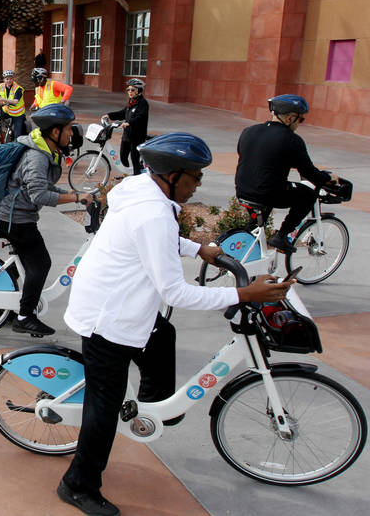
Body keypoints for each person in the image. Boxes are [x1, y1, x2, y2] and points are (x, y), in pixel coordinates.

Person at [58, 133, 294, 516]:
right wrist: (243, 295)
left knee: (162, 333)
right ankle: (77, 485)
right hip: (107, 319)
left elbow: (162, 238)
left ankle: (154, 405)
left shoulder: (143, 190)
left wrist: (198, 247)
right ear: (171, 175)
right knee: (105, 407)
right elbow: (177, 293)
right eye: (195, 176)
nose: (199, 183)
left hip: (120, 303)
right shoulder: (151, 212)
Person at [0, 104, 89, 337]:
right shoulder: (37, 156)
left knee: (29, 265)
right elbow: (40, 195)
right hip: (15, 218)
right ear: (54, 132)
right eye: (67, 129)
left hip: (16, 214)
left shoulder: (43, 150)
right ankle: (25, 316)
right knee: (41, 264)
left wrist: (75, 196)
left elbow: (43, 186)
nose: (71, 133)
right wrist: (75, 197)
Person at [235, 94, 338, 252]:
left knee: (256, 225)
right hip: (267, 193)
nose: (300, 123)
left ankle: (245, 253)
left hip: (242, 190)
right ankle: (282, 235)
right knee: (308, 195)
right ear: (290, 118)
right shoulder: (291, 140)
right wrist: (328, 178)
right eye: (300, 119)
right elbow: (309, 172)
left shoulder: (249, 131)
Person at [100, 78, 149, 176]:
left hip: (137, 137)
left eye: (132, 90)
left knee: (135, 160)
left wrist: (129, 123)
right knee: (123, 157)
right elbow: (123, 113)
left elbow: (140, 117)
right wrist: (109, 115)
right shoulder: (131, 102)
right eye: (128, 89)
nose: (129, 92)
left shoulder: (143, 103)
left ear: (139, 91)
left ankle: (136, 177)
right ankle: (128, 175)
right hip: (127, 135)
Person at [0, 70, 27, 139]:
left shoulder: (18, 88)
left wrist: (2, 99)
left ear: (13, 79)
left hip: (17, 113)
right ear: (4, 79)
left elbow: (15, 101)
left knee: (17, 135)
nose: (9, 80)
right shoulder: (1, 86)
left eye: (11, 78)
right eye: (7, 79)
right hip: (7, 110)